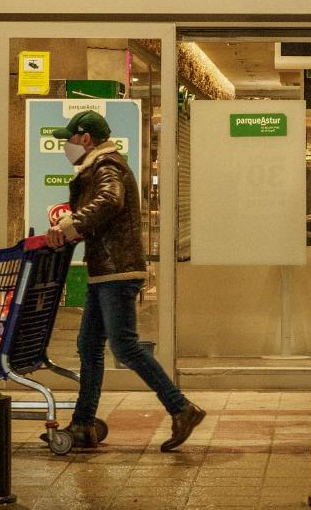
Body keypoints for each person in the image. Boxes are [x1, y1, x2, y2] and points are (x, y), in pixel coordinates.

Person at [46, 109, 204, 450]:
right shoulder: (101, 167)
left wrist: (72, 225)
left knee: (125, 346)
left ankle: (181, 408)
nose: (68, 145)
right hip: (105, 270)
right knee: (89, 346)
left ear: (85, 138)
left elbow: (109, 201)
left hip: (117, 271)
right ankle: (84, 423)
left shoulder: (107, 167)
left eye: (70, 139)